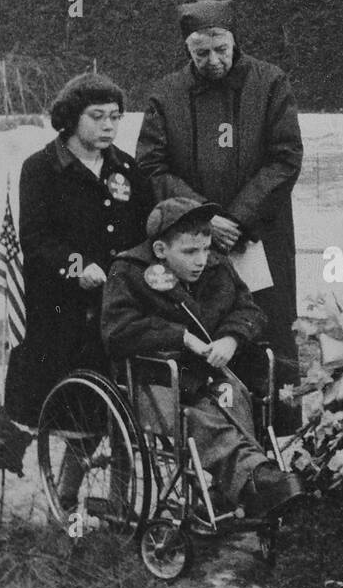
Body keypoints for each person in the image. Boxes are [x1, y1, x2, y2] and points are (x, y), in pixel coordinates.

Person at [136, 0, 303, 433]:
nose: (214, 61)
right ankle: (211, 444)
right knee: (204, 337)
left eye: (221, 50)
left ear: (234, 41)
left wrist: (239, 219)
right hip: (192, 243)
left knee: (265, 333)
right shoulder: (166, 94)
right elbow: (151, 165)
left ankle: (275, 442)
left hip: (258, 239)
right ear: (187, 50)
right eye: (201, 54)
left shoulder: (270, 83)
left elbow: (285, 159)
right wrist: (205, 220)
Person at [101, 197, 303, 519]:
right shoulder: (129, 272)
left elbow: (248, 308)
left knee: (234, 397)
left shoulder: (216, 266)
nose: (201, 260)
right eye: (190, 252)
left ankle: (245, 483)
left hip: (210, 376)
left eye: (206, 248)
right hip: (157, 381)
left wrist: (231, 338)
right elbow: (118, 331)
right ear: (160, 251)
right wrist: (180, 337)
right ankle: (255, 477)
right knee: (201, 417)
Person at [4, 73, 152, 430]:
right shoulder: (40, 169)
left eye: (115, 117)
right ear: (71, 117)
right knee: (74, 411)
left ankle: (106, 483)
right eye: (97, 116)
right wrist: (78, 267)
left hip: (119, 300)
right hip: (62, 302)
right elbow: (37, 239)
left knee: (119, 409)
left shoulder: (127, 168)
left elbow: (146, 228)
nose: (108, 126)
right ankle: (67, 484)